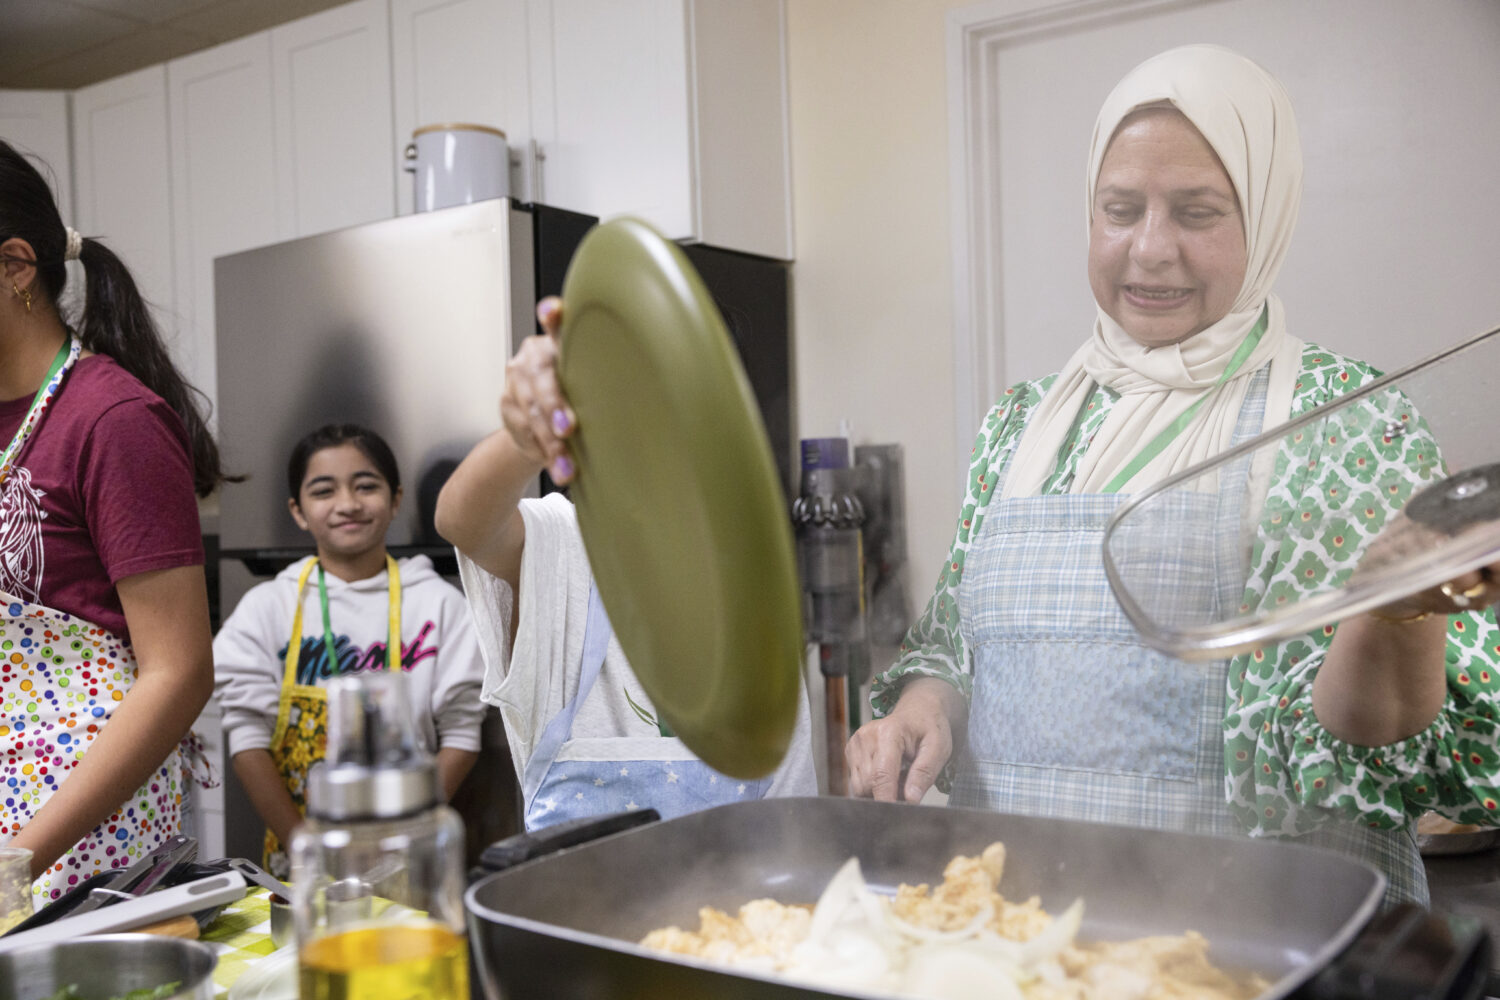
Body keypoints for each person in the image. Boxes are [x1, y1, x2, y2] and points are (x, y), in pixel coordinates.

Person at [845, 44, 1500, 906]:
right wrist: (924, 705)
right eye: (1120, 208)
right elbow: (962, 645)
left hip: (1250, 933)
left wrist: (1398, 608)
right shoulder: (1021, 424)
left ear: (1264, 218)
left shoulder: (1343, 418)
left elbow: (1366, 739)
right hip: (1023, 925)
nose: (1149, 249)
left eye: (1197, 212)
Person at [434, 298, 817, 830]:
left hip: (738, 911)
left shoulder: (756, 603)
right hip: (566, 913)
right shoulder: (568, 548)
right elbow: (464, 522)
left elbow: (791, 820)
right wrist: (526, 436)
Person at [0, 140, 223, 903]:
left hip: (76, 827)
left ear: (16, 267)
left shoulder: (112, 419)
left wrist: (18, 860)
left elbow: (179, 670)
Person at [214, 424, 484, 876]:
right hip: (299, 859)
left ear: (395, 500)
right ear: (298, 511)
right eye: (324, 491)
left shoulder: (438, 604)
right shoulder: (269, 607)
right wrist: (309, 851)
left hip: (410, 855)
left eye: (366, 486)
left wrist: (402, 841)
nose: (348, 504)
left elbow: (461, 733)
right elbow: (247, 738)